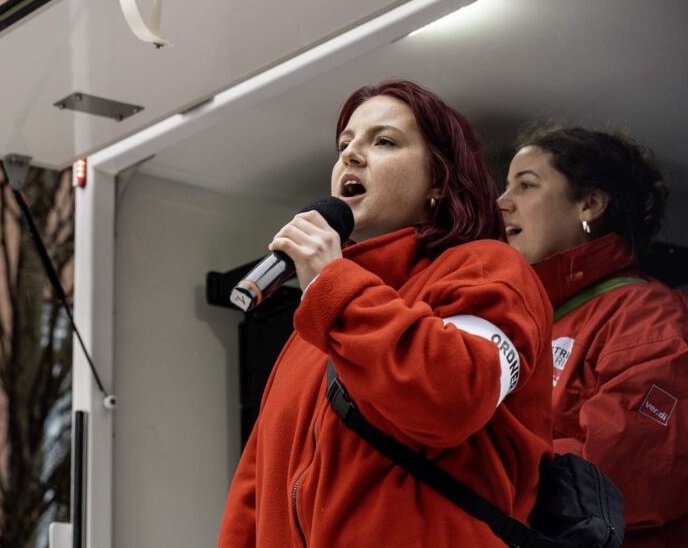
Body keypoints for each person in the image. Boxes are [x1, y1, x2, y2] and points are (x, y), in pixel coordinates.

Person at [218, 80, 554, 547]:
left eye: (383, 141)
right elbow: (256, 485)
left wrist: (333, 284)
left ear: (439, 180)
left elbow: (453, 396)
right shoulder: (318, 321)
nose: (351, 156)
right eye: (345, 144)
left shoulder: (488, 270)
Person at [498, 127, 688, 546]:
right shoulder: (516, 321)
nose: (502, 202)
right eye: (505, 187)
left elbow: (626, 471)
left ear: (590, 203)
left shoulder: (646, 314)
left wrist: (476, 465)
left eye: (526, 185)